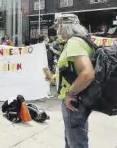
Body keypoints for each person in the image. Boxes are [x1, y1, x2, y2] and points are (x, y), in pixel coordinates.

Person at [48, 14, 95, 148]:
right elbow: (72, 70)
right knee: (71, 139)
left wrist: (70, 94)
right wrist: (55, 78)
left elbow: (87, 73)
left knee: (76, 142)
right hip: (79, 98)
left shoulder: (74, 42)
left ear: (64, 27)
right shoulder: (79, 41)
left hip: (74, 100)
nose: (57, 30)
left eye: (58, 27)